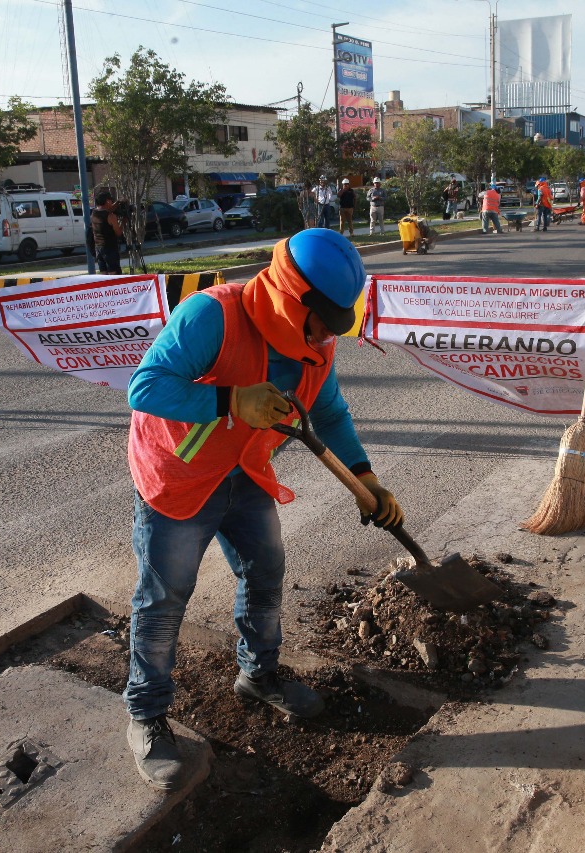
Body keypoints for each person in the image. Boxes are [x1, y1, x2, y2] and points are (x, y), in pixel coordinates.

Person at [122, 228, 403, 790]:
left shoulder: (316, 346)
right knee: (165, 597)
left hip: (246, 472)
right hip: (180, 478)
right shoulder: (213, 315)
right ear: (289, 294)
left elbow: (329, 412)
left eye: (333, 323)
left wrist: (366, 477)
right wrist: (229, 399)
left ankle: (260, 673)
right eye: (319, 319)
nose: (325, 334)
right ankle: (146, 714)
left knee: (265, 569)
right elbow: (145, 386)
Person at [91, 189, 123, 275]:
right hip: (110, 248)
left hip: (98, 247)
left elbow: (106, 210)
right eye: (111, 201)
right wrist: (124, 221)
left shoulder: (94, 213)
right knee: (114, 274)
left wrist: (117, 202)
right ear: (107, 201)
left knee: (104, 275)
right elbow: (119, 232)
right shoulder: (111, 216)